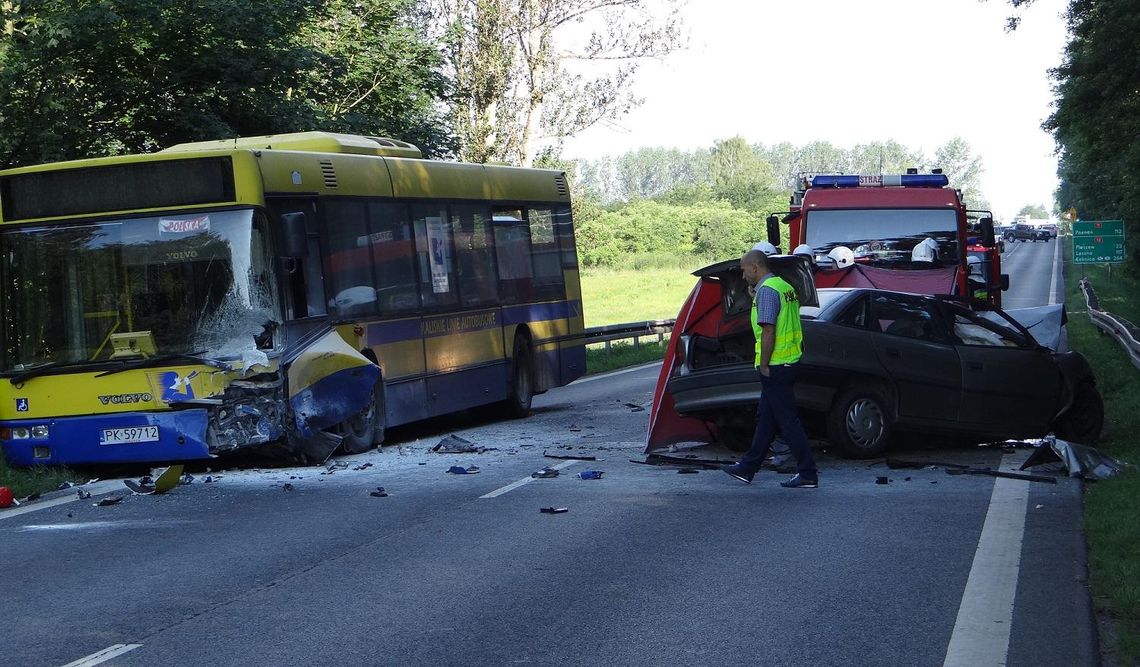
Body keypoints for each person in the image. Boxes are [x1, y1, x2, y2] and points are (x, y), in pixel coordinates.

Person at [722, 249, 819, 488]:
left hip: (775, 365)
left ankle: (807, 473)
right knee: (765, 417)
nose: (743, 276)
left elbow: (768, 331)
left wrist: (764, 364)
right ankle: (748, 468)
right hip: (789, 360)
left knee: (787, 421)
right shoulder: (783, 286)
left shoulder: (767, 292)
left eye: (744, 270)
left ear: (755, 267)